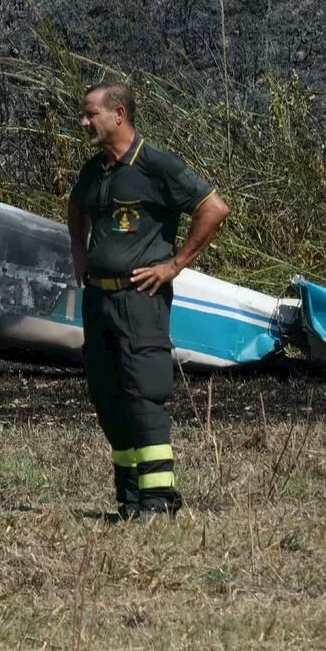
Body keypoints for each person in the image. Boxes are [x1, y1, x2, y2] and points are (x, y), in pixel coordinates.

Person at [67, 82, 230, 519]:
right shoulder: (95, 170)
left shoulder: (156, 165)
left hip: (140, 300)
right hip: (98, 301)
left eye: (90, 115)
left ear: (118, 114)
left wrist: (174, 265)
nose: (84, 122)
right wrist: (79, 253)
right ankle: (130, 496)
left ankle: (160, 499)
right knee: (106, 395)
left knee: (144, 393)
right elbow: (75, 206)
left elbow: (213, 208)